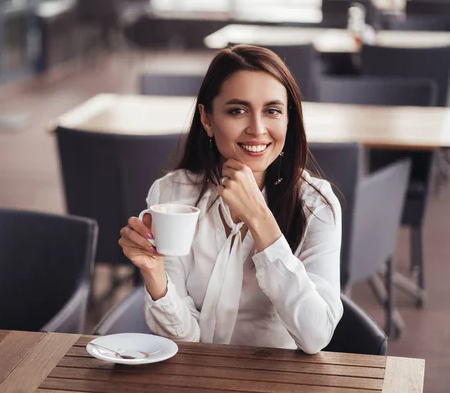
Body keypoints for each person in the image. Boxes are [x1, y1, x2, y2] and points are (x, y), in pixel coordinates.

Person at [118, 45, 343, 354]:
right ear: (207, 119)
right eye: (237, 110)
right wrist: (155, 275)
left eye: (272, 110)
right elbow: (184, 342)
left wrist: (260, 219)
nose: (257, 129)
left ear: (289, 119)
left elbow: (316, 337)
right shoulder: (171, 195)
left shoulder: (316, 204)